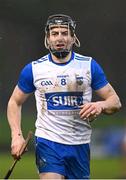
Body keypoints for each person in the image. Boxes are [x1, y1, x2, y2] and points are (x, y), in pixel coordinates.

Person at [7, 14, 121, 179]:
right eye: (54, 33)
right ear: (47, 38)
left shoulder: (89, 66)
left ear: (73, 38)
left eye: (64, 33)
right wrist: (16, 136)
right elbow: (14, 102)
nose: (59, 38)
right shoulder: (34, 69)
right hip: (48, 142)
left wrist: (99, 106)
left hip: (80, 144)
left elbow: (115, 102)